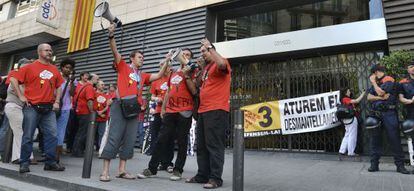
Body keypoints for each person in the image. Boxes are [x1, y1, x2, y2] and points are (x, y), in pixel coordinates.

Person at [98, 23, 168, 182]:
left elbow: (159, 75)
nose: (142, 59)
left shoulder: (142, 75)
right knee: (114, 137)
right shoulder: (123, 67)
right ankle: (105, 171)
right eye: (139, 57)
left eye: (143, 58)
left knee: (129, 139)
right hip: (119, 105)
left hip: (134, 109)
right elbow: (114, 51)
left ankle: (122, 170)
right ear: (132, 58)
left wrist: (167, 61)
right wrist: (111, 35)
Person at [137, 48, 196, 181]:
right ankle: (151, 169)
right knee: (161, 139)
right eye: (183, 54)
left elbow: (194, 90)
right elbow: (169, 92)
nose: (184, 56)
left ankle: (178, 170)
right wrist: (163, 109)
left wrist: (188, 71)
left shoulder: (193, 71)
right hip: (170, 110)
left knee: (181, 141)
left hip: (185, 110)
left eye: (187, 55)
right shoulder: (173, 73)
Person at [10, 43, 65, 173]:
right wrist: (21, 96)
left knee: (52, 135)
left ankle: (50, 163)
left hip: (48, 108)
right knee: (28, 136)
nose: (50, 52)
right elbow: (13, 78)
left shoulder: (54, 69)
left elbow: (59, 86)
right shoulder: (30, 67)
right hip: (32, 107)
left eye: (51, 50)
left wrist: (57, 101)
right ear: (39, 52)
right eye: (47, 50)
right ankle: (24, 163)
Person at [186, 39, 231, 189]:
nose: (202, 54)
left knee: (214, 145)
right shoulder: (206, 69)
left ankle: (215, 178)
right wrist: (197, 69)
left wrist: (210, 47)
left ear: (212, 50)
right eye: (201, 52)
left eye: (204, 51)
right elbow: (197, 86)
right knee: (202, 146)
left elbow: (222, 65)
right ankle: (202, 175)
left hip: (216, 110)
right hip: (203, 111)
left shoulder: (221, 61)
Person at [367, 64, 409, 174]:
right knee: (375, 140)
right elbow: (369, 97)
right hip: (377, 114)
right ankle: (374, 164)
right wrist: (379, 97)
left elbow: (381, 92)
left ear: (375, 73)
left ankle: (400, 166)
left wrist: (374, 83)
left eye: (372, 74)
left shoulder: (388, 80)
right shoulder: (376, 83)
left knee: (394, 139)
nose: (372, 77)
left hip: (389, 113)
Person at [4, 58, 37, 164]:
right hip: (13, 107)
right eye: (25, 67)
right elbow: (19, 90)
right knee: (20, 132)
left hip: (22, 109)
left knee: (29, 132)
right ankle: (23, 157)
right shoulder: (16, 78)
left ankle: (18, 156)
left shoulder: (27, 81)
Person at [146, 61, 174, 172]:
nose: (164, 68)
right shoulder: (156, 80)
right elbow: (152, 96)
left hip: (171, 111)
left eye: (166, 66)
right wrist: (156, 99)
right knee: (158, 138)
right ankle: (158, 162)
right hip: (158, 111)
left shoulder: (173, 78)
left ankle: (168, 163)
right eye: (162, 67)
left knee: (169, 138)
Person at [55, 58, 76, 162]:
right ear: (62, 67)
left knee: (61, 131)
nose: (68, 70)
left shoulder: (72, 80)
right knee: (50, 130)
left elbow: (72, 93)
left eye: (70, 68)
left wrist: (71, 82)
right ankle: (48, 152)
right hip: (54, 107)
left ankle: (56, 157)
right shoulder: (56, 76)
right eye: (66, 67)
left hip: (65, 108)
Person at [72, 72, 96, 157]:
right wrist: (92, 111)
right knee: (83, 132)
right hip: (85, 112)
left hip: (80, 111)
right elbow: (90, 100)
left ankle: (76, 150)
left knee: (80, 131)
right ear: (92, 79)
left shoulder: (83, 86)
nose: (97, 80)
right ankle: (77, 151)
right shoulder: (89, 87)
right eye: (97, 79)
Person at [398, 61, 414, 174]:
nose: (413, 68)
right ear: (407, 70)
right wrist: (411, 101)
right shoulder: (403, 82)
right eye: (411, 67)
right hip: (411, 114)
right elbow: (401, 98)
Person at [338, 88, 365, 157]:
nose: (349, 92)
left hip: (346, 119)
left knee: (347, 134)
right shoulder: (345, 99)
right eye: (348, 91)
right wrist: (363, 94)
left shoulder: (343, 99)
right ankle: (351, 152)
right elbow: (356, 101)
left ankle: (342, 150)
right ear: (345, 93)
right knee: (352, 135)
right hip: (350, 119)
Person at [94, 80, 112, 151]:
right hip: (94, 118)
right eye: (101, 84)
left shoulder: (106, 95)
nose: (103, 86)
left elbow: (107, 106)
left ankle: (100, 149)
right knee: (92, 134)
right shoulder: (94, 94)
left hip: (103, 118)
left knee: (102, 134)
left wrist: (101, 112)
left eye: (104, 85)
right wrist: (97, 112)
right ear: (97, 86)